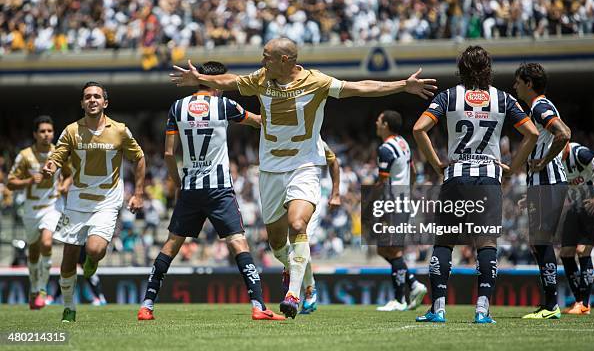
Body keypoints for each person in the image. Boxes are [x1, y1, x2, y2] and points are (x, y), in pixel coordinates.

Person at [170, 37, 437, 318]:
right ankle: (307, 281)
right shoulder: (261, 79)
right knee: (276, 244)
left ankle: (293, 294)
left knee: (298, 223)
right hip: (271, 170)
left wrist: (402, 86)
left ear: (285, 61)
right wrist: (200, 78)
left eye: (267, 57)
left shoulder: (317, 81)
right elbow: (229, 81)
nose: (263, 62)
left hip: (304, 166)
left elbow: (359, 88)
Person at [138, 61, 285, 321]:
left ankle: (147, 305)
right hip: (219, 189)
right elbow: (258, 122)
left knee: (171, 245)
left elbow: (169, 153)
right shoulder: (224, 105)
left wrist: (178, 182)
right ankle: (258, 306)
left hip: (191, 188)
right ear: (218, 83)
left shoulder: (177, 107)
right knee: (238, 243)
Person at [413, 46, 538, 323]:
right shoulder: (503, 99)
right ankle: (482, 310)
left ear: (461, 69)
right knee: (486, 242)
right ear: (488, 69)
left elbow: (418, 129)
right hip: (488, 177)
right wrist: (513, 168)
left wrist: (436, 164)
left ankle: (438, 308)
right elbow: (531, 133)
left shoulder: (448, 96)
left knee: (445, 243)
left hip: (456, 174)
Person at [42, 81, 146, 323]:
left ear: (105, 102)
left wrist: (138, 192)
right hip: (78, 200)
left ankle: (91, 261)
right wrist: (51, 166)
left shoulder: (120, 130)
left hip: (108, 199)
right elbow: (58, 155)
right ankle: (69, 306)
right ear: (82, 103)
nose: (92, 100)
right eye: (87, 97)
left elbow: (139, 158)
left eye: (97, 96)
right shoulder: (71, 130)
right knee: (68, 258)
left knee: (95, 249)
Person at [513, 62, 572, 320]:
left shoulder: (539, 106)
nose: (514, 86)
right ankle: (548, 303)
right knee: (538, 243)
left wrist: (544, 161)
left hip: (548, 182)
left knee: (541, 241)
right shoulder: (540, 106)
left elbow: (563, 134)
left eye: (517, 82)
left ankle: (551, 305)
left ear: (528, 83)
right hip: (543, 184)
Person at [7, 115, 72, 310]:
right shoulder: (25, 156)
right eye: (42, 131)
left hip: (52, 206)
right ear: (35, 134)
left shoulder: (58, 153)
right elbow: (10, 182)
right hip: (31, 209)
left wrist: (64, 187)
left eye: (49, 131)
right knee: (33, 252)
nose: (46, 135)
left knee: (46, 242)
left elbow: (69, 175)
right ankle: (34, 288)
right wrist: (28, 181)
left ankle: (43, 289)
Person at [372, 110, 428, 312]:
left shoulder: (386, 149)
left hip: (393, 203)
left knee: (393, 249)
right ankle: (413, 284)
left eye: (379, 120)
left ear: (385, 124)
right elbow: (413, 172)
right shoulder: (403, 143)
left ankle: (399, 299)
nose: (376, 123)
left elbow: (382, 182)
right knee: (383, 248)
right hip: (402, 201)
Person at [559, 141, 594, 315]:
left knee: (582, 251)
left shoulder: (580, 153)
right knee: (565, 253)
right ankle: (579, 302)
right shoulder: (553, 159)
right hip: (576, 208)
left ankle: (585, 305)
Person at [299, 139, 341, 314]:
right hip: (285, 198)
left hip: (310, 197)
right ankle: (309, 289)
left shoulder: (314, 138)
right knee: (285, 247)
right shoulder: (281, 131)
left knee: (300, 243)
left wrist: (336, 193)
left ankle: (303, 293)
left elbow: (333, 161)